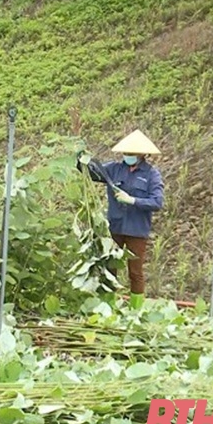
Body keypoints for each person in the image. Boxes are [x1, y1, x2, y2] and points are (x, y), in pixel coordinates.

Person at [77, 129, 164, 309]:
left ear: (142, 155)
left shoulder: (151, 175)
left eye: (131, 153)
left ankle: (136, 309)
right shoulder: (114, 169)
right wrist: (80, 157)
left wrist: (132, 200)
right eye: (125, 153)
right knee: (110, 269)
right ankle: (108, 307)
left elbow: (156, 202)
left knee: (135, 272)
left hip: (137, 230)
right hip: (115, 227)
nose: (127, 156)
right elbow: (91, 172)